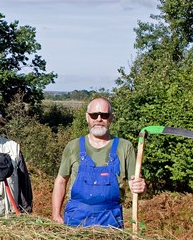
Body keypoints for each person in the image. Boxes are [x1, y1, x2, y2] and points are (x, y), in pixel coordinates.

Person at [51, 97, 145, 228]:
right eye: (94, 115)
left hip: (110, 219)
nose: (99, 119)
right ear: (87, 117)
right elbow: (61, 181)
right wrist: (56, 214)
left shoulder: (125, 147)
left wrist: (140, 187)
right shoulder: (73, 146)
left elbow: (134, 184)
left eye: (104, 115)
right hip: (75, 218)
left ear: (111, 118)